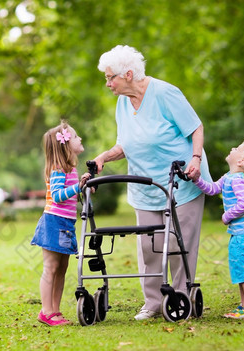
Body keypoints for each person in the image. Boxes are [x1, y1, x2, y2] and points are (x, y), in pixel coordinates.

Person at [91, 45, 211, 320]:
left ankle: (181, 298)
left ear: (129, 74)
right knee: (149, 245)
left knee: (179, 243)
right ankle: (153, 303)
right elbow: (126, 145)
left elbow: (196, 127)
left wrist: (194, 159)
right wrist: (104, 157)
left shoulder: (165, 93)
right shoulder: (123, 102)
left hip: (181, 179)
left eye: (111, 78)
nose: (108, 84)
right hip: (145, 183)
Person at [192, 139, 244, 319]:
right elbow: (212, 189)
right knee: (240, 270)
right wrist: (197, 180)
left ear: (240, 162)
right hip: (241, 234)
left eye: (238, 148)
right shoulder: (229, 177)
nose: (233, 148)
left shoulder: (237, 181)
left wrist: (227, 216)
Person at [31, 121, 91, 326]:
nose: (79, 138)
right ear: (65, 145)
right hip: (54, 222)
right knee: (50, 268)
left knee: (62, 268)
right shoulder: (58, 170)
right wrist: (78, 187)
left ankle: (55, 311)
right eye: (75, 137)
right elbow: (57, 196)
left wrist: (83, 187)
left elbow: (71, 193)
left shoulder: (70, 169)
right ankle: (46, 311)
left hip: (65, 223)